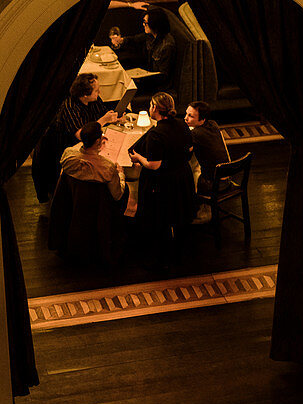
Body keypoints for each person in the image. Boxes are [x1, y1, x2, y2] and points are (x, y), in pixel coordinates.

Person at [31, 73, 122, 202]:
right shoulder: (69, 106)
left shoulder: (94, 100)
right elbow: (81, 134)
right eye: (96, 90)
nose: (99, 92)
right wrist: (104, 119)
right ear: (85, 94)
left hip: (86, 145)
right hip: (65, 149)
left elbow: (102, 114)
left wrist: (114, 118)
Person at [129, 92, 196, 263]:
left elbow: (153, 165)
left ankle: (160, 254)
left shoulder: (155, 134)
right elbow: (189, 149)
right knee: (179, 214)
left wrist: (138, 158)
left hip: (164, 183)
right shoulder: (182, 124)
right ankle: (182, 250)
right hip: (182, 176)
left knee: (161, 218)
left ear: (155, 108)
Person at [59, 121, 128, 204]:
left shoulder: (67, 155)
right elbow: (117, 195)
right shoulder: (108, 167)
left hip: (72, 202)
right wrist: (121, 174)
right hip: (99, 207)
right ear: (97, 141)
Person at [110, 5, 176, 90]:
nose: (143, 24)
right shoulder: (151, 35)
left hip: (157, 85)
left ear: (155, 24)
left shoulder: (167, 45)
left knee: (121, 85)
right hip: (148, 76)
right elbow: (135, 39)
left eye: (145, 22)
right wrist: (121, 40)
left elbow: (162, 76)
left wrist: (140, 79)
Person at [184, 100, 230, 194]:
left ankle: (196, 206)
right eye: (186, 114)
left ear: (202, 120)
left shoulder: (195, 134)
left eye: (190, 116)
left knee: (188, 177)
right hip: (227, 177)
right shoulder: (213, 124)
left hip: (214, 184)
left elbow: (185, 151)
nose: (185, 118)